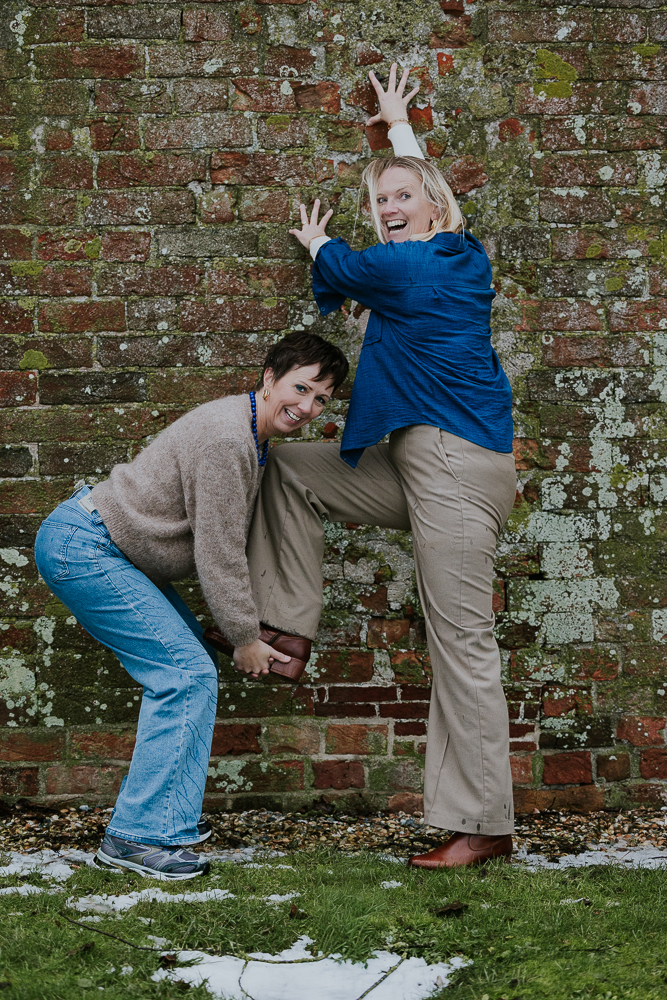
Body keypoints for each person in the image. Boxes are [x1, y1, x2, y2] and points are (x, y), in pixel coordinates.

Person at [243, 65, 517, 869]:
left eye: (401, 198)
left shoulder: (410, 267)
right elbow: (409, 206)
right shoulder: (460, 254)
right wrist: (396, 130)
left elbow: (341, 268)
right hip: (413, 460)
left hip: (456, 469)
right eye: (378, 202)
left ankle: (484, 824)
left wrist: (320, 240)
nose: (388, 210)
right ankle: (288, 629)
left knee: (460, 641)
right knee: (288, 468)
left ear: (434, 206)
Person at [34, 332, 348, 880]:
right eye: (300, 387)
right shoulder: (229, 440)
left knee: (190, 671)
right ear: (270, 378)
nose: (307, 406)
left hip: (110, 550)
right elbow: (218, 552)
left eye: (322, 398)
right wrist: (246, 637)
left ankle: (167, 817)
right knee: (184, 674)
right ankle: (138, 837)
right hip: (85, 547)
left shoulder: (249, 432)